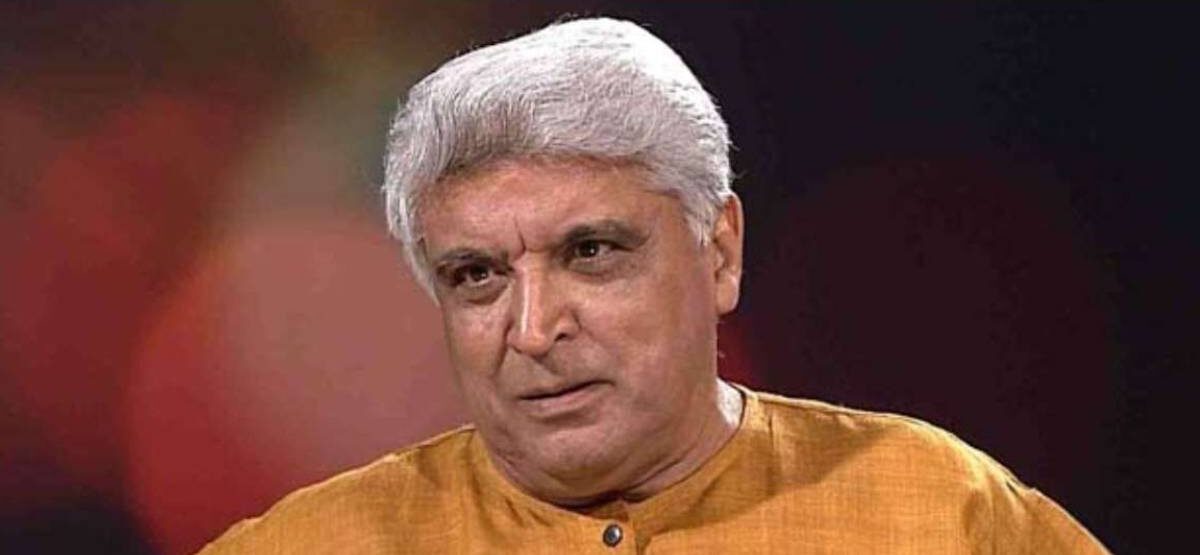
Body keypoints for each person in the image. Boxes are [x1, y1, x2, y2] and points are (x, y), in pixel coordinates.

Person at [200, 17, 1108, 554]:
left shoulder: (939, 514)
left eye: (592, 251)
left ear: (719, 253)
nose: (533, 328)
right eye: (477, 275)